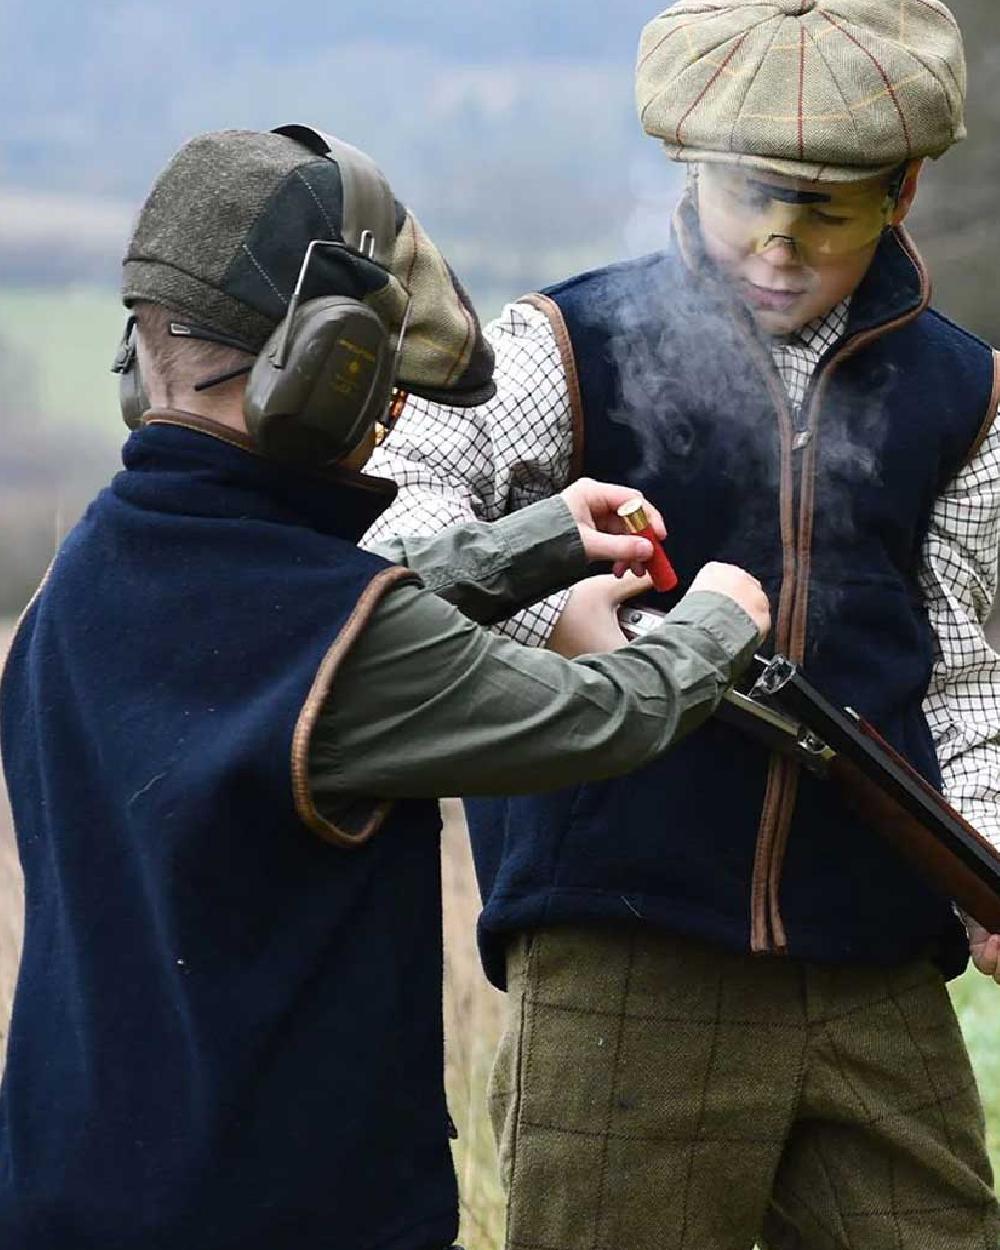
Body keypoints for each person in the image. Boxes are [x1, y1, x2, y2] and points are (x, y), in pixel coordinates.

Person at [0, 125, 769, 1250]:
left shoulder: (89, 572)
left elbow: (312, 621)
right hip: (288, 1214)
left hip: (65, 1197)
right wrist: (721, 617)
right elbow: (602, 712)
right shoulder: (335, 635)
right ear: (324, 370)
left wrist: (538, 540)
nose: (390, 412)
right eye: (379, 380)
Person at [364, 2, 1000, 1246]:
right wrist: (553, 619)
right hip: (624, 956)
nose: (774, 241)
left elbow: (964, 667)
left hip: (874, 957)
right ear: (688, 166)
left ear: (903, 188)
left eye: (821, 205)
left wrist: (981, 861)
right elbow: (391, 537)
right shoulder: (564, 340)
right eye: (745, 194)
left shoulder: (966, 394)